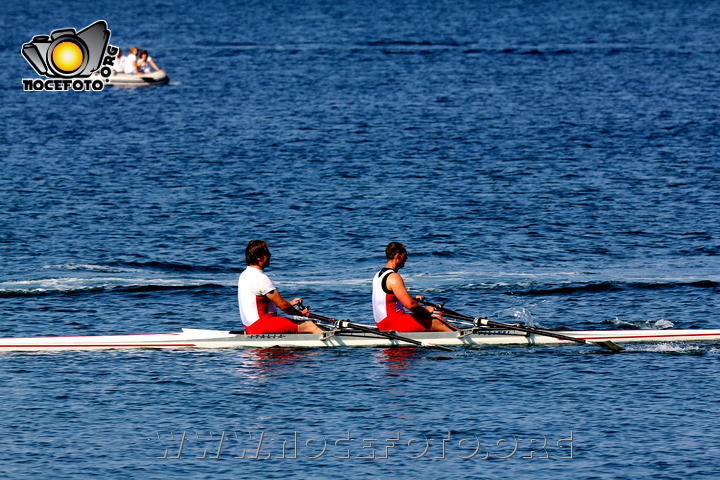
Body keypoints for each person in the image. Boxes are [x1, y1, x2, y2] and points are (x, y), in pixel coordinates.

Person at [238, 240, 323, 334]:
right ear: (258, 258)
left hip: (251, 327)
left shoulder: (244, 275)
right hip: (264, 325)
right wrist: (300, 313)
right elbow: (283, 306)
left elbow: (263, 303)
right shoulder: (260, 278)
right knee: (310, 325)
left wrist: (290, 303)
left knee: (298, 327)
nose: (270, 255)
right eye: (267, 253)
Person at [372, 242, 456, 332]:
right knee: (437, 322)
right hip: (393, 323)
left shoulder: (378, 275)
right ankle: (465, 338)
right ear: (398, 256)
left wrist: (414, 300)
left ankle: (461, 333)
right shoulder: (394, 277)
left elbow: (389, 301)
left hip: (383, 323)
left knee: (437, 318)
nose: (406, 258)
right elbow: (410, 306)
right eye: (405, 255)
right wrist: (426, 311)